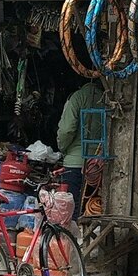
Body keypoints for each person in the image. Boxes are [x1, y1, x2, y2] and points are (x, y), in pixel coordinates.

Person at [56, 80, 103, 219]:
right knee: (92, 211)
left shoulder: (78, 97)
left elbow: (66, 130)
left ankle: (71, 239)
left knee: (70, 213)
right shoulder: (106, 98)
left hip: (75, 163)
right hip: (97, 165)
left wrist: (63, 148)